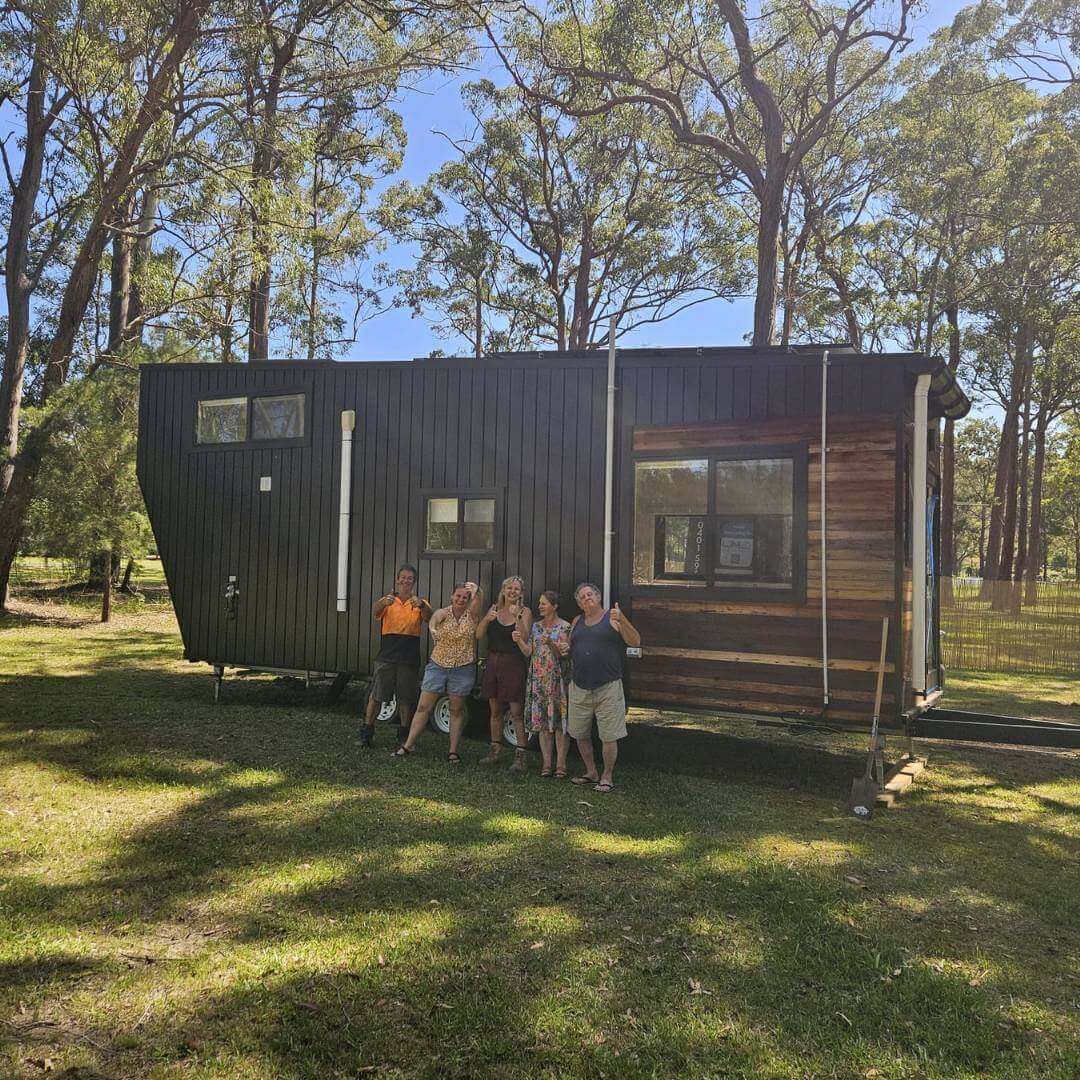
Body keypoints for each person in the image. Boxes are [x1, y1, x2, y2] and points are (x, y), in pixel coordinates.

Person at [556, 583, 641, 793]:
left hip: (608, 687)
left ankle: (607, 776)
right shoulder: (577, 621)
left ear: (598, 596)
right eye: (582, 597)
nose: (587, 598)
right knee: (579, 733)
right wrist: (564, 647)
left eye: (589, 594)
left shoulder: (612, 618)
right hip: (579, 686)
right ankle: (591, 771)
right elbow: (567, 648)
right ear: (579, 603)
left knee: (609, 736)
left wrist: (622, 619)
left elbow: (635, 641)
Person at [392, 581, 484, 762]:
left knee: (456, 710)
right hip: (438, 666)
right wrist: (433, 629)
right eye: (458, 596)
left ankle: (453, 751)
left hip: (463, 668)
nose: (461, 600)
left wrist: (477, 592)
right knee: (423, 707)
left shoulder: (472, 616)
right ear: (452, 596)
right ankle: (408, 745)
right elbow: (433, 621)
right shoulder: (443, 613)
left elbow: (478, 602)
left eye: (465, 597)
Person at [360, 564, 431, 748]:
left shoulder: (420, 602)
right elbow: (375, 611)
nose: (406, 581)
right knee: (376, 696)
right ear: (397, 580)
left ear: (414, 582)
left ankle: (403, 736)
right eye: (403, 577)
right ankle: (366, 733)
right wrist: (383, 602)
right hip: (386, 656)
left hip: (409, 658)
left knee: (405, 699)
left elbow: (430, 618)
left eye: (410, 578)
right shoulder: (388, 600)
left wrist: (422, 605)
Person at [476, 575, 532, 773]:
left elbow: (525, 637)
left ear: (521, 593)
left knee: (516, 712)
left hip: (513, 663)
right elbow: (479, 634)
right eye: (509, 588)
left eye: (516, 589)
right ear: (503, 590)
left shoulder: (525, 612)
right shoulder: (494, 609)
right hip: (493, 662)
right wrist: (486, 618)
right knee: (495, 710)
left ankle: (521, 756)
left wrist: (517, 617)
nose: (512, 592)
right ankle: (495, 752)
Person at [517, 590, 571, 778]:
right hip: (538, 681)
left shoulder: (565, 627)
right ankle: (547, 765)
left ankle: (561, 766)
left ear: (554, 606)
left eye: (544, 603)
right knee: (543, 725)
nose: (539, 606)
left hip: (557, 681)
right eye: (539, 603)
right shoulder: (535, 627)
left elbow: (562, 655)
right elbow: (528, 652)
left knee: (558, 724)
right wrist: (518, 641)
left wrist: (550, 643)